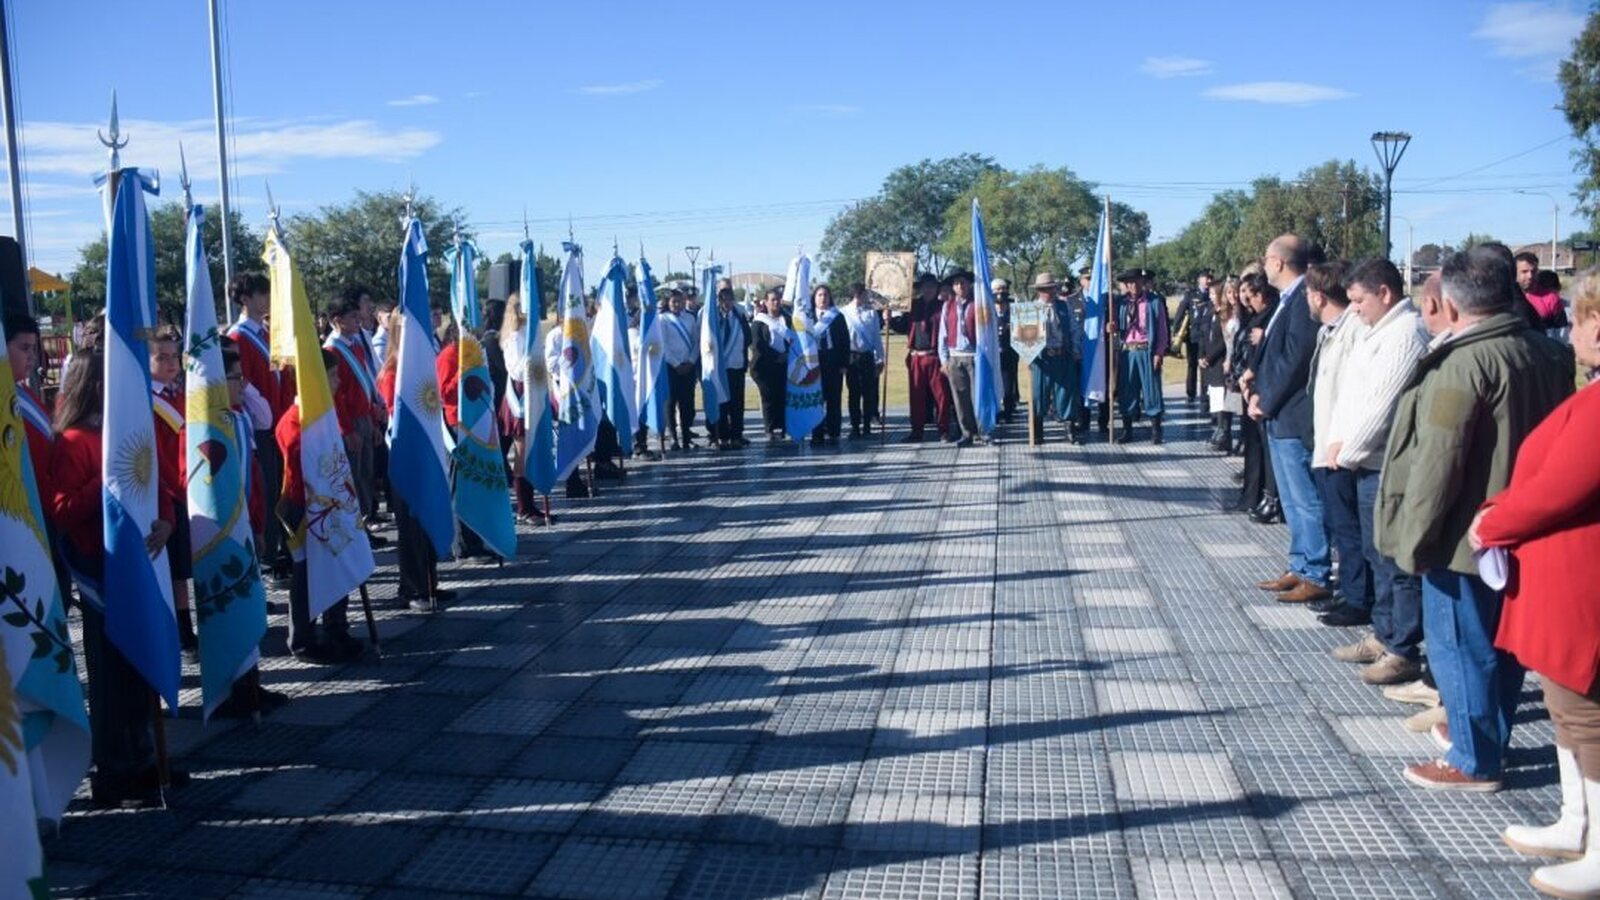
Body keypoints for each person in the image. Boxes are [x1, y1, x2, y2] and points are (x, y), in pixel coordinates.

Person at [1377, 246, 1573, 792]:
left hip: (1465, 532)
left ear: (1455, 306)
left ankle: (1472, 758)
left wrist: (1412, 539)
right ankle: (1485, 737)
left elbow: (1438, 463)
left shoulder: (1463, 362)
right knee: (1506, 647)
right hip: (1524, 525)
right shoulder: (1546, 353)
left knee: (1462, 647)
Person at [1478, 270, 1600, 891]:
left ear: (1598, 326)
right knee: (1562, 704)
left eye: (1578, 320)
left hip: (1583, 582)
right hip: (1556, 576)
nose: (1570, 330)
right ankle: (1575, 820)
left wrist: (1494, 521)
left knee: (1589, 714)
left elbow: (1563, 488)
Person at [49, 350, 177, 808]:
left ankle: (145, 758)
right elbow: (62, 510)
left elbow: (156, 484)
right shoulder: (73, 440)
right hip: (101, 571)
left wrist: (166, 520)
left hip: (140, 564)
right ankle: (113, 771)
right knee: (110, 677)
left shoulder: (122, 433)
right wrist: (103, 482)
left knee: (140, 664)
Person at [1322, 261, 1430, 684]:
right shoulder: (1376, 331)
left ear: (1385, 293)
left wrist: (1348, 449)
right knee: (1375, 553)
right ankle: (1384, 634)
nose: (1353, 310)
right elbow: (1355, 395)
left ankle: (1402, 647)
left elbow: (1382, 403)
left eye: (1358, 301)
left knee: (1394, 561)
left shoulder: (1405, 334)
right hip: (1365, 463)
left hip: (1386, 463)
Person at [1248, 236, 1330, 603]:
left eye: (1267, 259)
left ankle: (1315, 570)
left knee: (1304, 498)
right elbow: (1273, 355)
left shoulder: (1300, 300)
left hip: (1292, 414)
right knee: (1292, 499)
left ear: (1279, 263)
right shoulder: (1287, 300)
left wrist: (1267, 400)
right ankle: (1299, 565)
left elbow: (1295, 360)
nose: (1264, 266)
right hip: (1277, 413)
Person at [277, 348, 365, 664]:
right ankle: (302, 638)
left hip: (332, 504)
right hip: (304, 507)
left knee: (337, 561)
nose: (338, 381)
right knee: (306, 575)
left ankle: (336, 626)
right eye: (331, 375)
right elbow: (301, 460)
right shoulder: (293, 419)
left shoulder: (326, 416)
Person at [1301, 262, 1371, 629]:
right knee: (1337, 522)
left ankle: (1358, 598)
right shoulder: (1330, 331)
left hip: (1342, 446)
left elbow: (1353, 391)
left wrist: (1342, 441)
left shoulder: (1354, 330)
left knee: (1348, 527)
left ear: (1317, 295)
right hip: (1326, 440)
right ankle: (1349, 589)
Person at [228, 273, 292, 586]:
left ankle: (280, 546)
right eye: (259, 294)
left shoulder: (266, 332)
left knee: (279, 485)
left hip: (279, 421)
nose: (266, 299)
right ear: (244, 299)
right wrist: (264, 413)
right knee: (264, 489)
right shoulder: (238, 337)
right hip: (260, 426)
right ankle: (268, 557)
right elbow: (245, 382)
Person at [148, 329, 198, 658]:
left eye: (173, 356)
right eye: (161, 357)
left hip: (187, 487)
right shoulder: (146, 401)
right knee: (173, 571)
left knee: (183, 569)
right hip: (167, 492)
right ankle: (181, 633)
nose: (170, 363)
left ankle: (187, 627)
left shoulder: (176, 396)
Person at [323, 292, 384, 544]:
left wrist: (372, 417)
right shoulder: (332, 350)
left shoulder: (356, 345)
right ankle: (356, 530)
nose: (358, 321)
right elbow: (336, 397)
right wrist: (347, 430)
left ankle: (365, 525)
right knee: (353, 479)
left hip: (364, 417)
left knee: (366, 475)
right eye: (351, 317)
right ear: (336, 320)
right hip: (349, 422)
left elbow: (364, 384)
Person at [1232, 273, 1279, 519]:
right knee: (1253, 445)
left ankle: (1270, 497)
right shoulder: (1253, 316)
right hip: (1248, 385)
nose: (1247, 301)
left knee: (1266, 449)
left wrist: (1252, 376)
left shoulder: (1273, 315)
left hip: (1261, 387)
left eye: (1250, 295)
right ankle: (1253, 495)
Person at [1113, 269, 1168, 444]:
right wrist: (1110, 327)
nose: (1133, 286)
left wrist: (1159, 352)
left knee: (1151, 390)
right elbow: (1115, 327)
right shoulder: (1120, 303)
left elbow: (1162, 329)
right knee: (1127, 390)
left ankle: (1156, 430)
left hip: (1146, 350)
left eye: (1136, 282)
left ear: (1142, 282)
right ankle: (1127, 429)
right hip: (1127, 351)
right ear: (1125, 285)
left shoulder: (1153, 302)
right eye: (1129, 283)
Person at [1026, 272, 1083, 444]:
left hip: (1062, 354)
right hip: (1041, 359)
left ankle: (1070, 430)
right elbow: (1023, 337)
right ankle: (1037, 431)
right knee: (1038, 394)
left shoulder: (1064, 306)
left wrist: (1076, 350)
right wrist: (1028, 355)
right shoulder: (1030, 310)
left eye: (1050, 288)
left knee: (1067, 392)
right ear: (1038, 291)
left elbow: (1074, 329)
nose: (1048, 292)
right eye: (1043, 289)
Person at [938, 270, 984, 446]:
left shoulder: (978, 304)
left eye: (963, 282)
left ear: (969, 284)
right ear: (953, 287)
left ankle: (983, 430)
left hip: (974, 355)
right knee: (960, 398)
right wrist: (944, 360)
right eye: (956, 284)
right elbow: (943, 334)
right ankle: (967, 433)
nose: (960, 286)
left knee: (976, 396)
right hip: (955, 356)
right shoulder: (947, 306)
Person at [903, 273, 948, 442]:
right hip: (916, 356)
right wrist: (888, 318)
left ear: (936, 288)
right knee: (916, 395)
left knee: (942, 395)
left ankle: (943, 429)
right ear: (921, 288)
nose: (928, 289)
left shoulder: (943, 307)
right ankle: (916, 431)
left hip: (935, 356)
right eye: (925, 286)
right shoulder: (912, 307)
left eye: (932, 286)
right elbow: (901, 326)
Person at [843, 283, 885, 438]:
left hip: (867, 356)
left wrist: (880, 358)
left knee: (868, 392)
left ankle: (867, 424)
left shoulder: (871, 313)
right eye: (863, 294)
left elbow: (876, 338)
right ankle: (855, 426)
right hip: (851, 357)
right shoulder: (844, 313)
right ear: (856, 295)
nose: (866, 297)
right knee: (853, 393)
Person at [810, 284, 850, 446]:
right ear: (814, 298)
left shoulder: (837, 316)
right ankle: (817, 434)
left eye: (825, 295)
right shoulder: (808, 317)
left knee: (833, 399)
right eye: (819, 295)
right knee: (816, 400)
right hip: (814, 362)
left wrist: (844, 363)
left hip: (833, 361)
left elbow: (845, 341)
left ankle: (834, 431)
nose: (823, 298)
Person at [659, 288, 698, 450]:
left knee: (687, 403)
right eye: (674, 301)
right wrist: (676, 364)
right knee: (670, 402)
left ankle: (686, 435)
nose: (677, 304)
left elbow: (696, 342)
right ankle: (674, 437)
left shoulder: (689, 318)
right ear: (668, 303)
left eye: (680, 301)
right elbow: (663, 345)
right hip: (671, 367)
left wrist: (691, 361)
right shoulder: (662, 320)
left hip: (688, 366)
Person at [1200, 282, 1235, 452]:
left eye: (1215, 294)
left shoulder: (1226, 314)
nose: (1212, 297)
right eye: (1211, 294)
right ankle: (1219, 428)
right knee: (1215, 396)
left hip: (1220, 361)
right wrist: (1202, 356)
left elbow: (1224, 341)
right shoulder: (1210, 311)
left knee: (1223, 398)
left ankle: (1225, 433)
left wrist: (1210, 356)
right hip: (1211, 363)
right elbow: (1205, 335)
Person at [714, 285, 750, 449]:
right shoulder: (714, 318)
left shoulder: (739, 316)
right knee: (722, 403)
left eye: (730, 299)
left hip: (736, 365)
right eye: (724, 299)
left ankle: (737, 435)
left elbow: (748, 338)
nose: (727, 302)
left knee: (737, 403)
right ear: (719, 301)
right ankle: (723, 437)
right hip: (720, 368)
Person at [750, 287, 790, 438]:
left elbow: (794, 340)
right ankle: (770, 428)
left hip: (784, 364)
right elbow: (758, 345)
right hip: (764, 366)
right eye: (772, 300)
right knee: (768, 397)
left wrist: (786, 355)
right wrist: (776, 356)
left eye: (778, 299)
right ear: (765, 302)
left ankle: (784, 426)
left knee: (783, 395)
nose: (776, 302)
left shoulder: (787, 319)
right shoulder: (759, 322)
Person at [1173, 269, 1214, 406]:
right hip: (1193, 336)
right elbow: (1180, 313)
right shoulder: (1190, 295)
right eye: (1206, 278)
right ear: (1199, 279)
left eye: (1210, 278)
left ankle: (1204, 395)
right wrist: (1176, 332)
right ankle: (1190, 393)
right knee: (1192, 365)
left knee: (1205, 365)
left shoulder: (1213, 294)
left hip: (1208, 336)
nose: (1208, 281)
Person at [993, 278, 1020, 422]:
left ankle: (1009, 411)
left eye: (1003, 289)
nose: (1000, 292)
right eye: (997, 289)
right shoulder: (987, 308)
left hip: (1010, 352)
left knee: (1008, 384)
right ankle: (995, 412)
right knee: (994, 385)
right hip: (993, 354)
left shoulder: (1014, 307)